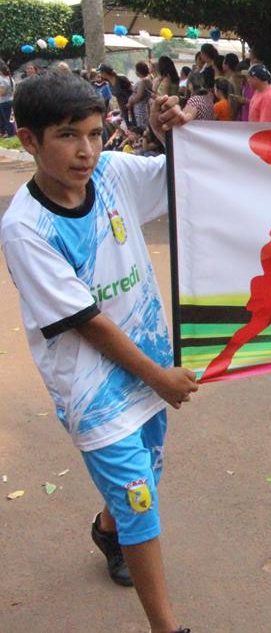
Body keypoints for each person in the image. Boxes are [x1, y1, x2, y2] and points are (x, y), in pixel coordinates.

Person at [1, 71, 196, 632]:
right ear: (28, 139)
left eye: (93, 133)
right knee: (142, 502)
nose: (85, 151)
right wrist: (159, 376)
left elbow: (188, 180)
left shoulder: (113, 172)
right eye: (66, 136)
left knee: (145, 478)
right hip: (97, 390)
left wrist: (174, 137)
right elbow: (88, 323)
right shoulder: (27, 228)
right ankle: (166, 626)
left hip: (150, 365)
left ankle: (106, 530)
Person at [127, 62, 154, 131]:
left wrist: (130, 102)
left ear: (139, 71)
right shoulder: (145, 80)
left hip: (141, 107)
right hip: (138, 107)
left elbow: (139, 96)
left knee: (142, 126)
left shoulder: (144, 80)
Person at [0, 63, 14, 137]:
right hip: (11, 100)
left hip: (4, 102)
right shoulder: (11, 78)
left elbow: (2, 92)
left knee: (6, 119)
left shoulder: (2, 81)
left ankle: (10, 134)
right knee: (11, 119)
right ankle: (12, 132)